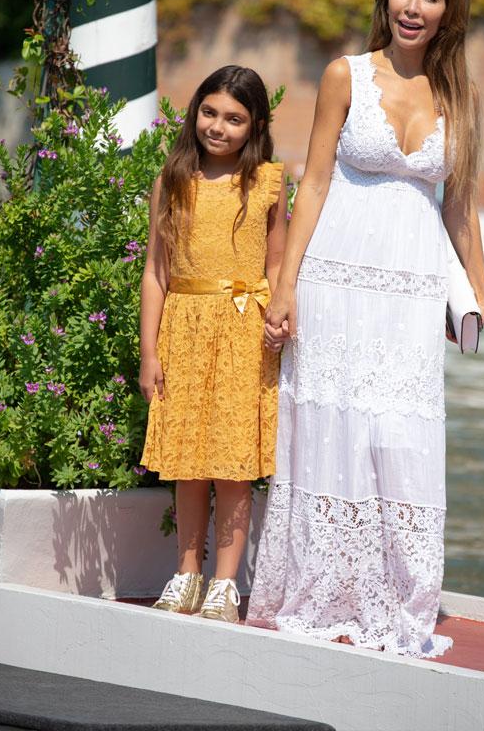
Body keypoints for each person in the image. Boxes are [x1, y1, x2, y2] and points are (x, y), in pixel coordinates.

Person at [248, 0, 484, 657]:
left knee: (401, 434)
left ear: (450, 12)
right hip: (333, 278)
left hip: (411, 289)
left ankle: (397, 600)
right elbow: (314, 181)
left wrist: (481, 286)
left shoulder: (463, 99)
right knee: (330, 426)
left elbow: (461, 203)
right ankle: (323, 589)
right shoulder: (344, 75)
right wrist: (285, 284)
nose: (413, 7)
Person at [138, 65, 288, 623]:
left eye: (234, 118)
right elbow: (156, 272)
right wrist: (149, 353)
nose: (217, 127)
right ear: (194, 110)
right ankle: (185, 573)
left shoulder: (269, 181)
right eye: (209, 112)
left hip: (245, 332)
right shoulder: (172, 180)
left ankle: (226, 582)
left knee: (232, 461)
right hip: (183, 327)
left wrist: (279, 312)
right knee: (187, 462)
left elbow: (277, 260)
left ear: (255, 125)